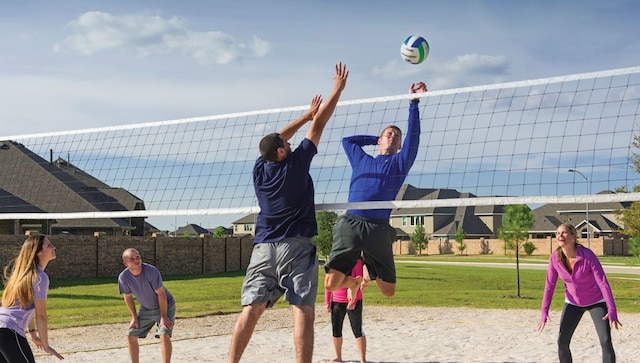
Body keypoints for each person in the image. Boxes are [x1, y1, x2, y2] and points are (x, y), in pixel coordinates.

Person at [227, 62, 349, 363]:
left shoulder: (260, 168)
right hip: (295, 246)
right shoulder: (295, 164)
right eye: (286, 144)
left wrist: (305, 115)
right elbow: (319, 125)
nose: (290, 141)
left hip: (263, 248)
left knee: (251, 310)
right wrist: (337, 90)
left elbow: (275, 138)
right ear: (281, 152)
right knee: (303, 310)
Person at [324, 82, 428, 302]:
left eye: (397, 136)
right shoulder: (362, 159)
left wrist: (413, 104)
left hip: (378, 229)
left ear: (400, 145)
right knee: (331, 285)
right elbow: (347, 141)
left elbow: (414, 139)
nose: (393, 137)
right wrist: (375, 139)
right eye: (389, 134)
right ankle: (354, 282)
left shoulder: (400, 162)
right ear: (381, 140)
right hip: (351, 223)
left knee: (388, 292)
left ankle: (369, 270)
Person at [537, 223, 622, 363]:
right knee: (562, 342)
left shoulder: (587, 255)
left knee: (605, 340)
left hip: (596, 302)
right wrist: (544, 312)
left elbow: (603, 282)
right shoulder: (554, 258)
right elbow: (549, 286)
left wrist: (612, 309)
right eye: (558, 233)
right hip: (573, 303)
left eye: (564, 233)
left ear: (573, 237)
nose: (560, 236)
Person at [0, 234, 64, 362]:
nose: (53, 247)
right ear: (38, 252)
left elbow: (25, 306)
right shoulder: (40, 277)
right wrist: (46, 345)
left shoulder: (23, 275)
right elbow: (41, 315)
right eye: (49, 245)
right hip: (8, 331)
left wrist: (33, 334)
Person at [118, 248, 175, 363]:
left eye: (138, 257)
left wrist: (163, 317)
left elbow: (161, 294)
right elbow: (128, 297)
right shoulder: (123, 277)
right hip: (146, 308)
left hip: (164, 305)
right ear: (126, 263)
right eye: (132, 259)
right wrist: (134, 317)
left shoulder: (151, 271)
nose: (136, 260)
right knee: (130, 335)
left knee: (164, 334)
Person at [325, 257, 367, 363]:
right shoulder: (334, 261)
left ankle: (363, 359)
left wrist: (353, 301)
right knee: (336, 330)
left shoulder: (356, 261)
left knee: (357, 329)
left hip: (354, 300)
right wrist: (327, 301)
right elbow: (328, 282)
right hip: (337, 300)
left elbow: (358, 280)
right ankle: (338, 357)